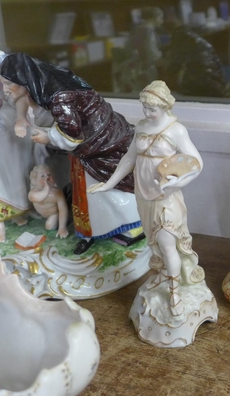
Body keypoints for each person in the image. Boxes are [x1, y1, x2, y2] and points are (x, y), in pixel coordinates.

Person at [0, 52, 142, 254]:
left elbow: (72, 133)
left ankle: (128, 225)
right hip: (89, 148)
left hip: (99, 147)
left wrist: (48, 137)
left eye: (7, 84)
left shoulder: (60, 97)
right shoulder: (44, 89)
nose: (4, 90)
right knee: (86, 193)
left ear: (24, 80)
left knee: (103, 191)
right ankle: (92, 231)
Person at [88, 80, 205, 316]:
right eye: (145, 108)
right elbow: (129, 160)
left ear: (164, 107)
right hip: (144, 196)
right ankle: (166, 276)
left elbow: (196, 163)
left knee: (166, 242)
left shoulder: (176, 130)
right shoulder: (141, 127)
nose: (147, 113)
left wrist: (177, 183)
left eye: (152, 109)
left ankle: (174, 292)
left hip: (165, 196)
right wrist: (108, 185)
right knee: (154, 243)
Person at [0, 49, 33, 243]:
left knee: (11, 170)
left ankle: (16, 208)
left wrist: (21, 118)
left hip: (2, 120)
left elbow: (19, 96)